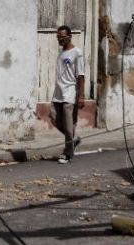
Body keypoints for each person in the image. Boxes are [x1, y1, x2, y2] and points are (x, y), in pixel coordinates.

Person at [50, 25, 85, 164]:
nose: (60, 40)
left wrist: (81, 96)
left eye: (63, 37)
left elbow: (81, 75)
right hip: (58, 92)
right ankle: (74, 140)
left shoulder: (77, 52)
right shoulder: (61, 52)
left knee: (68, 124)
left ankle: (67, 153)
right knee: (54, 117)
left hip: (70, 92)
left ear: (70, 36)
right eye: (58, 38)